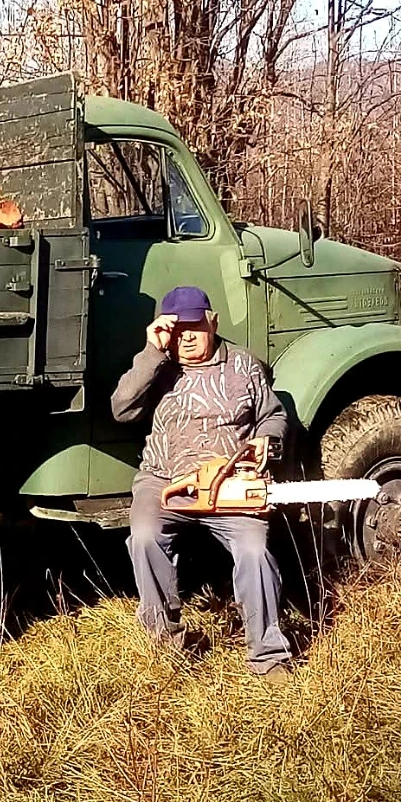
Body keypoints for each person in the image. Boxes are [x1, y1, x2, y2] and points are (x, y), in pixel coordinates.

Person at [111, 285, 294, 677]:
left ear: (212, 322)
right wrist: (152, 351)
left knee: (255, 551)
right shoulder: (157, 366)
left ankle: (268, 655)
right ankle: (166, 643)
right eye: (178, 329)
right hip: (165, 480)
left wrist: (267, 438)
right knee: (144, 536)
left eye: (195, 325)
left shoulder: (244, 365)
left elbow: (273, 415)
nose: (187, 336)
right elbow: (121, 410)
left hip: (230, 486)